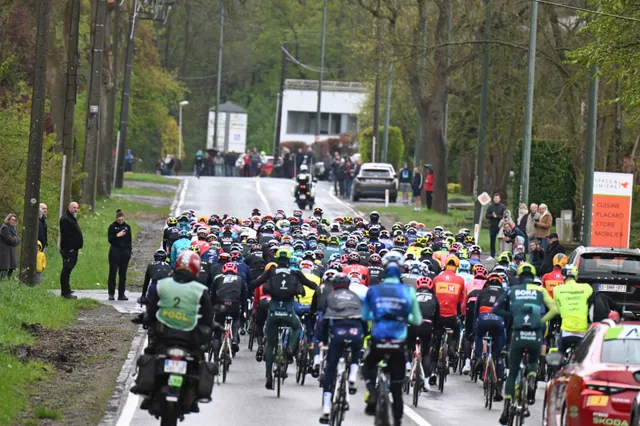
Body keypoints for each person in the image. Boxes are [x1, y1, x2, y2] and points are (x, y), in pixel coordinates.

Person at [493, 263, 557, 425]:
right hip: (535, 333)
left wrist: (511, 315)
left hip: (518, 333)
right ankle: (532, 377)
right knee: (534, 362)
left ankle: (507, 407)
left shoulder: (512, 290)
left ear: (519, 276)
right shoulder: (540, 290)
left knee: (513, 370)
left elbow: (496, 309)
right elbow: (555, 310)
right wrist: (540, 321)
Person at [361, 254, 422, 425]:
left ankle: (372, 393)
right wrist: (402, 318)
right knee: (396, 387)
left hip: (378, 339)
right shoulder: (408, 291)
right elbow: (417, 320)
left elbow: (365, 315)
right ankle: (398, 419)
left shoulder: (373, 290)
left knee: (368, 365)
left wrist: (380, 316)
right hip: (397, 343)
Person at [250, 248, 317, 390]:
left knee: (270, 345)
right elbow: (312, 286)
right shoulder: (295, 273)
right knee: (297, 327)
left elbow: (255, 284)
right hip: (288, 312)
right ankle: (290, 348)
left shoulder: (271, 272)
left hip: (273, 312)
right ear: (289, 260)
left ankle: (268, 375)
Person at [318, 273, 364, 424]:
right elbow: (363, 319)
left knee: (331, 369)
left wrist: (324, 341)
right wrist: (364, 335)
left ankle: (326, 407)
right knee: (356, 350)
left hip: (338, 332)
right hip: (356, 331)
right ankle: (352, 375)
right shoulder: (355, 296)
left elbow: (324, 321)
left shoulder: (330, 296)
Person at [210, 262, 246, 361]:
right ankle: (234, 338)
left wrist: (212, 308)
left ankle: (216, 356)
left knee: (217, 333)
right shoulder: (240, 280)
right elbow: (244, 298)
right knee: (236, 319)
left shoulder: (218, 279)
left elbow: (213, 296)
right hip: (234, 305)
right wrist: (244, 310)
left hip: (221, 305)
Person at [554, 265, 593, 353]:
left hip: (566, 331)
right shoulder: (587, 287)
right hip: (582, 331)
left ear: (564, 276)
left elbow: (559, 310)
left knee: (560, 353)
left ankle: (559, 365)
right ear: (576, 277)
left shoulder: (557, 290)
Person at [107, 209, 133, 301]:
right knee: (113, 273)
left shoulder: (127, 227)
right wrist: (117, 235)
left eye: (122, 220)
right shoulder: (112, 227)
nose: (121, 222)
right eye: (119, 220)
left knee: (123, 274)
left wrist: (129, 252)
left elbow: (129, 241)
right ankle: (111, 293)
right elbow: (110, 239)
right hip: (115, 251)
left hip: (125, 251)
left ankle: (121, 294)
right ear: (116, 219)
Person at [59, 202, 83, 299]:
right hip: (69, 250)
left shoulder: (71, 218)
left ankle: (67, 289)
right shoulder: (65, 219)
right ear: (69, 208)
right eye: (74, 207)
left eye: (77, 207)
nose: (76, 209)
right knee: (66, 270)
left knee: (68, 270)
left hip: (73, 249)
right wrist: (70, 248)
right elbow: (66, 235)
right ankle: (65, 292)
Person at [485, 193, 507, 258]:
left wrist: (497, 216)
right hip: (493, 225)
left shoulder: (503, 207)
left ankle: (502, 254)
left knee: (502, 241)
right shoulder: (490, 206)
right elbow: (486, 215)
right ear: (493, 199)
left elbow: (505, 216)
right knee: (492, 240)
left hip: (501, 226)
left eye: (497, 198)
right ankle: (492, 255)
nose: (496, 200)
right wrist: (492, 215)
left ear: (499, 199)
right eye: (495, 198)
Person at [0, 213, 20, 279]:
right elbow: (9, 240)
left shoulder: (13, 228)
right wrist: (15, 239)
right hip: (6, 252)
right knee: (4, 269)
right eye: (12, 219)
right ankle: (2, 282)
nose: (14, 221)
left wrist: (15, 239)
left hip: (11, 252)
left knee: (11, 269)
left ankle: (7, 282)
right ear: (8, 220)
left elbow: (18, 241)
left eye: (15, 220)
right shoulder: (4, 228)